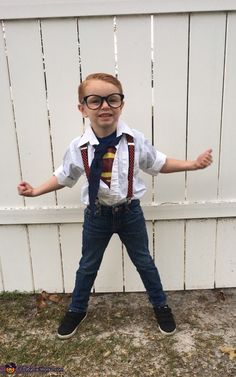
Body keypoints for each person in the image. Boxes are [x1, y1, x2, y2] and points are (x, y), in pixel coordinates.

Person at [17, 73, 213, 340]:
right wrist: (36, 191)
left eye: (112, 99)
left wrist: (192, 164)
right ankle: (77, 309)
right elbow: (64, 176)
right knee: (88, 265)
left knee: (144, 262)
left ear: (122, 104)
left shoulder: (134, 140)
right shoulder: (79, 147)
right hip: (96, 215)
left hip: (130, 212)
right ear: (82, 108)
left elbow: (158, 163)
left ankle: (160, 305)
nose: (105, 106)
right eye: (95, 101)